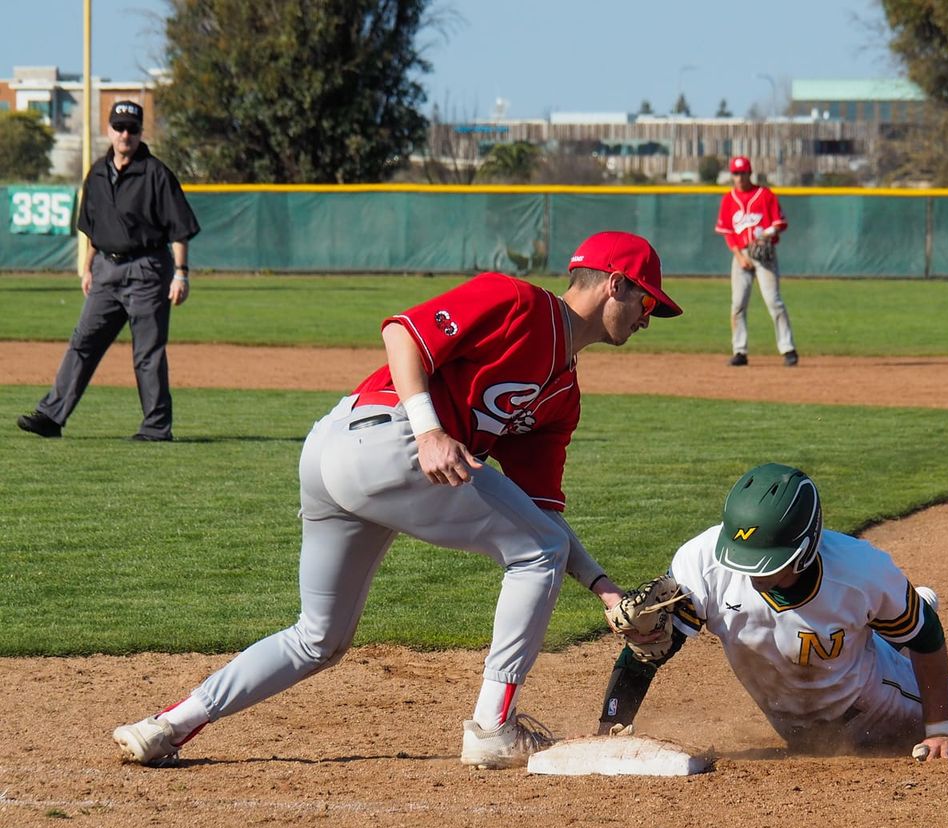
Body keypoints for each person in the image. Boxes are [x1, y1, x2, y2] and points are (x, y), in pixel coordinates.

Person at [112, 231, 683, 769]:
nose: (647, 319)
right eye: (646, 302)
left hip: (350, 457)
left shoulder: (562, 397)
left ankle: (166, 726)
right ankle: (492, 728)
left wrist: (606, 593)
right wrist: (429, 429)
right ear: (615, 283)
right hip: (381, 438)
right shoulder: (517, 301)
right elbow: (402, 334)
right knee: (534, 552)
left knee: (319, 638)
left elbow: (543, 520)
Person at [596, 463, 948, 759]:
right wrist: (611, 727)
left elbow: (929, 637)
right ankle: (891, 619)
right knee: (884, 618)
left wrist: (939, 728)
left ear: (809, 544)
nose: (753, 572)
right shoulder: (706, 561)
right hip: (809, 705)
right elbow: (650, 646)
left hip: (879, 695)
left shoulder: (857, 570)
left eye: (770, 562)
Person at [17, 100, 200, 442]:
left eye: (132, 128)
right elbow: (91, 227)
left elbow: (179, 228)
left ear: (141, 132)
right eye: (119, 127)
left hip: (147, 269)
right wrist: (88, 268)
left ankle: (156, 427)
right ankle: (52, 416)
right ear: (109, 130)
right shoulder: (98, 173)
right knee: (83, 341)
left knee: (147, 352)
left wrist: (181, 273)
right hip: (105, 270)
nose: (125, 134)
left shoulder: (156, 174)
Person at [714, 156, 797, 368]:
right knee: (738, 304)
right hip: (740, 254)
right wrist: (740, 257)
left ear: (749, 173)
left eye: (742, 173)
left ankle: (787, 349)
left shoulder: (765, 195)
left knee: (773, 302)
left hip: (764, 256)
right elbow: (728, 233)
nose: (739, 177)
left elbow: (781, 222)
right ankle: (739, 351)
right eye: (735, 173)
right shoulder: (728, 199)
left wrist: (766, 234)